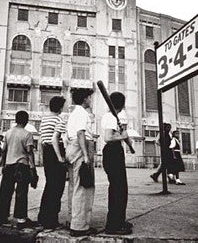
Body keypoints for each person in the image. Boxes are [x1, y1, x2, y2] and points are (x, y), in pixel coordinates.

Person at [0, 110, 38, 229]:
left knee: (5, 192)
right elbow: (29, 152)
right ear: (26, 120)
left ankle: (1, 218)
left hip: (9, 165)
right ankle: (21, 219)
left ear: (16, 120)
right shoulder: (27, 134)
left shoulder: (8, 133)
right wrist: (33, 168)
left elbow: (4, 151)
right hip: (21, 166)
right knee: (21, 193)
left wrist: (2, 165)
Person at [66, 89, 97, 237]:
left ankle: (74, 221)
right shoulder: (81, 113)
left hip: (74, 147)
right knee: (83, 187)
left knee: (75, 186)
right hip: (81, 147)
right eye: (89, 98)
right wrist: (85, 155)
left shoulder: (75, 113)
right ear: (85, 99)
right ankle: (79, 226)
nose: (90, 100)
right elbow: (80, 133)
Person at [101, 92, 133, 235]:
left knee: (120, 188)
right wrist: (122, 136)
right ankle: (113, 225)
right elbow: (108, 137)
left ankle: (119, 220)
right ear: (122, 104)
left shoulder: (112, 117)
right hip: (112, 152)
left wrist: (123, 137)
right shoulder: (111, 117)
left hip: (114, 152)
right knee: (118, 189)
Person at [37, 96, 67, 230]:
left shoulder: (44, 119)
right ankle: (51, 219)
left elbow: (40, 140)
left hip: (47, 153)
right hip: (55, 152)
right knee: (57, 187)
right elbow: (55, 140)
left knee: (49, 185)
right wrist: (60, 157)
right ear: (60, 107)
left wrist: (43, 157)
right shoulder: (59, 119)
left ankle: (43, 217)